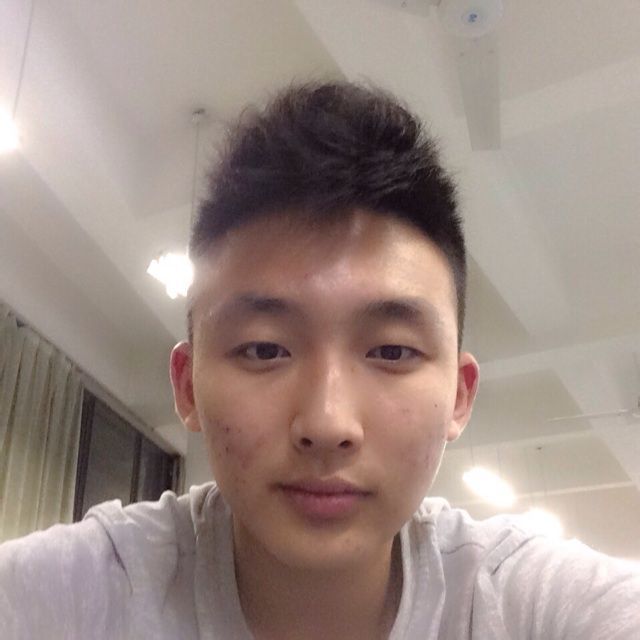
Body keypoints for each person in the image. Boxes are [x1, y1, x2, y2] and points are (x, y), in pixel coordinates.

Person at [1, 81, 639, 639]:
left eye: (391, 351)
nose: (328, 424)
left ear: (459, 396)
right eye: (264, 349)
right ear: (188, 386)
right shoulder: (72, 597)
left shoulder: (526, 604)